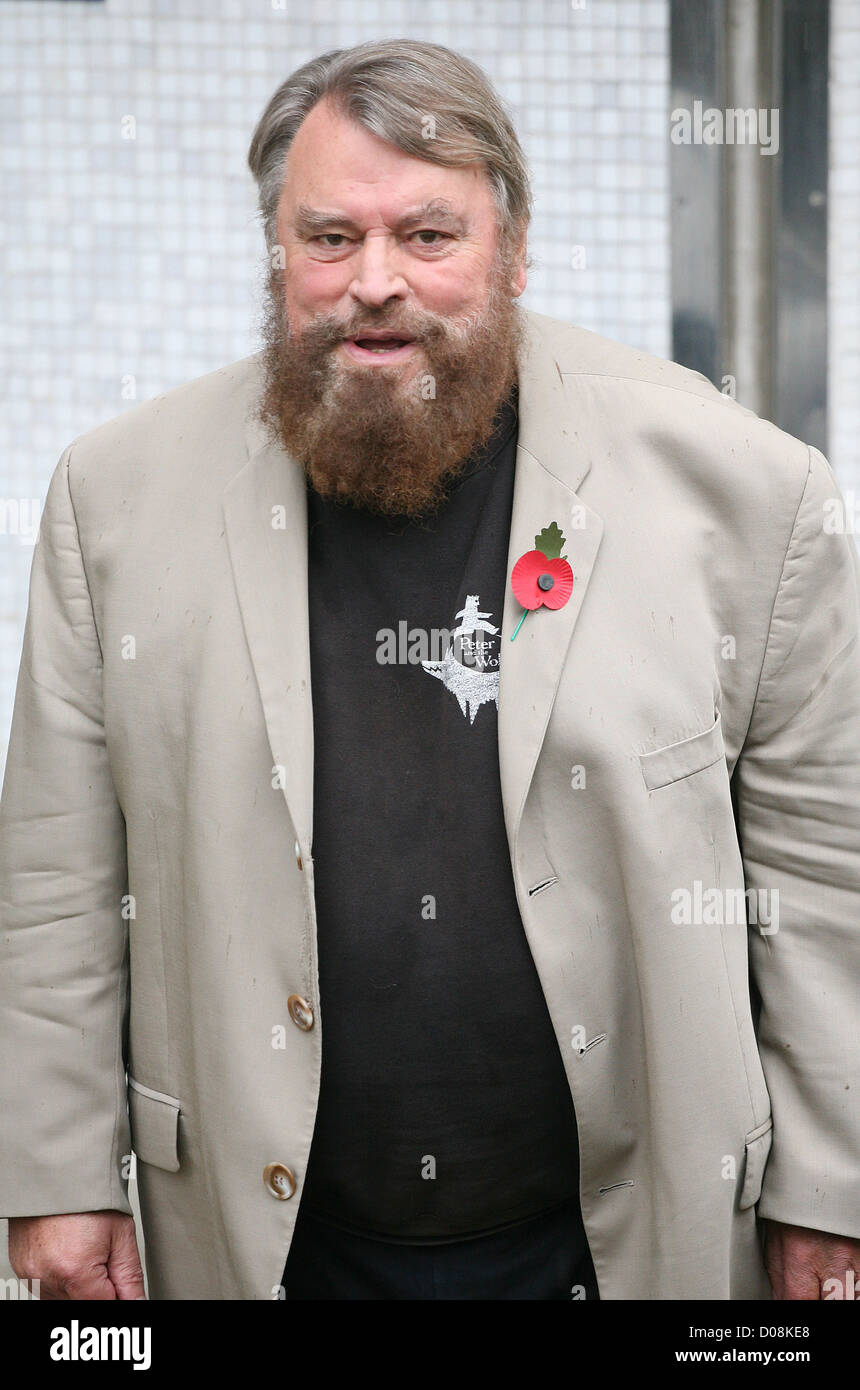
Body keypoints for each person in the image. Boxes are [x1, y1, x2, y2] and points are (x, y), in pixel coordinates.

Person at [2, 38, 859, 1302]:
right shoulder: (114, 498)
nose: (374, 284)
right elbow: (59, 883)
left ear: (511, 253)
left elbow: (821, 872)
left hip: (622, 1251)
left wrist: (828, 1194)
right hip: (263, 1250)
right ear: (277, 254)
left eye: (428, 235)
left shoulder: (740, 490)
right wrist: (58, 1177)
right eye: (330, 238)